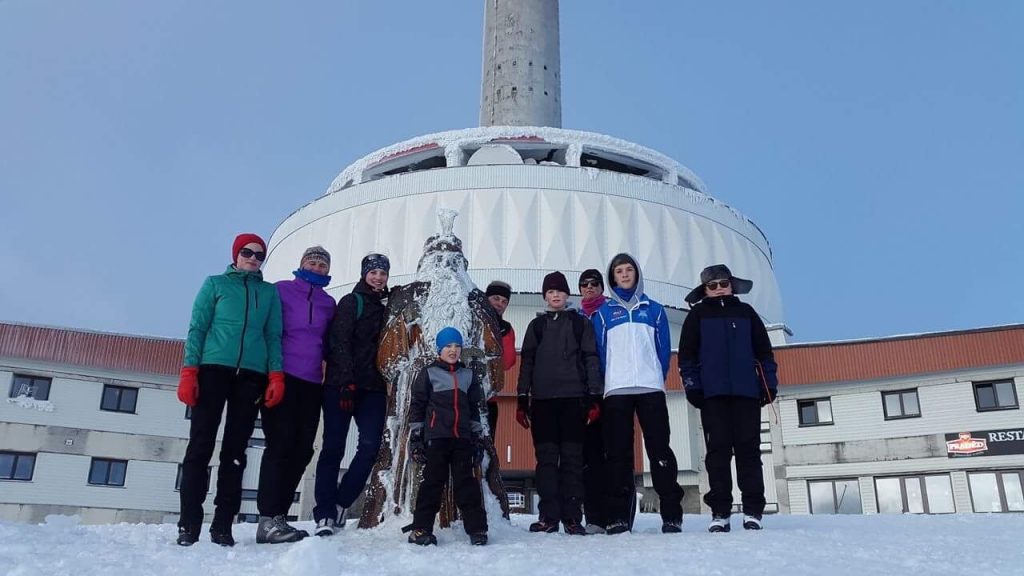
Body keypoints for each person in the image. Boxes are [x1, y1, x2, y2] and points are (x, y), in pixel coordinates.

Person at [176, 233, 284, 547]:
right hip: (213, 370)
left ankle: (223, 525)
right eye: (247, 252)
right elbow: (197, 327)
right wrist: (189, 371)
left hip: (251, 375)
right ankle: (189, 525)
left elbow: (273, 335)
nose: (253, 258)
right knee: (200, 446)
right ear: (236, 254)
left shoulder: (269, 293)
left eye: (259, 255)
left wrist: (276, 375)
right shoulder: (215, 285)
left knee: (235, 453)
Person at [679, 264, 778, 533]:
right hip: (713, 395)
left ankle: (753, 510)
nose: (719, 288)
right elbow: (686, 357)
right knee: (717, 454)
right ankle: (720, 512)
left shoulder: (747, 313)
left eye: (724, 283)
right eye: (713, 285)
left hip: (746, 393)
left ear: (732, 285)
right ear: (705, 290)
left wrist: (768, 384)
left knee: (749, 451)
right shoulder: (697, 316)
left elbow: (765, 353)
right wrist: (693, 387)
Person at [591, 253, 684, 535]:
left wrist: (654, 374)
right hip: (616, 390)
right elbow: (600, 352)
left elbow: (663, 349)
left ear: (637, 273)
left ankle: (671, 515)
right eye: (619, 271)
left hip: (649, 388)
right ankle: (618, 516)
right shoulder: (604, 314)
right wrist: (610, 380)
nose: (625, 274)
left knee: (660, 450)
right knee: (617, 454)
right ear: (613, 277)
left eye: (629, 269)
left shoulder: (654, 309)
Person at [255, 246, 337, 544]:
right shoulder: (281, 291)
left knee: (303, 449)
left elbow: (330, 343)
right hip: (282, 376)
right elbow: (268, 331)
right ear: (301, 263)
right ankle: (267, 518)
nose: (316, 267)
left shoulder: (329, 303)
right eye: (312, 261)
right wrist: (270, 373)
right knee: (280, 445)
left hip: (312, 382)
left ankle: (280, 517)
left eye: (322, 264)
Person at [516, 272, 603, 535]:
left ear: (567, 295)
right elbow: (527, 362)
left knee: (573, 461)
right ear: (545, 296)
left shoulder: (580, 324)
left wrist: (594, 397)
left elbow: (590, 358)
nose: (556, 296)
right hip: (543, 402)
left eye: (560, 292)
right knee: (546, 461)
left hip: (573, 401)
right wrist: (522, 398)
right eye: (551, 292)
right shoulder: (537, 326)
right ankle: (548, 517)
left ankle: (573, 517)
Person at [313, 253, 390, 536]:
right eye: (374, 272)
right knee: (332, 448)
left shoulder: (386, 307)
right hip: (341, 386)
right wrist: (345, 381)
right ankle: (323, 512)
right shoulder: (350, 302)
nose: (378, 277)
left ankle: (342, 502)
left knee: (370, 447)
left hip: (373, 388)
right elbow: (339, 341)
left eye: (383, 273)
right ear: (364, 273)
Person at [406, 327, 489, 546]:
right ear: (439, 349)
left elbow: (472, 409)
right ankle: (420, 529)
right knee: (432, 483)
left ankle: (477, 529)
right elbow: (417, 406)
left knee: (466, 483)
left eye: (457, 346)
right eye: (448, 346)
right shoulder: (429, 373)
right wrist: (416, 438)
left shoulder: (467, 375)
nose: (453, 350)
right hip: (436, 437)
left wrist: (477, 438)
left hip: (461, 438)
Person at [577, 268, 609, 534]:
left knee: (615, 454)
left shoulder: (613, 312)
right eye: (584, 284)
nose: (589, 287)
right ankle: (595, 517)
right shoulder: (575, 318)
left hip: (613, 388)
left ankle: (619, 514)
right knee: (589, 456)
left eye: (594, 283)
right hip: (585, 393)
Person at [484, 280, 517, 436]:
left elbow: (508, 361)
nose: (500, 304)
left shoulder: (506, 328)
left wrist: (500, 333)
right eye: (496, 298)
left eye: (504, 301)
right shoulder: (471, 321)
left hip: (490, 398)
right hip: (465, 397)